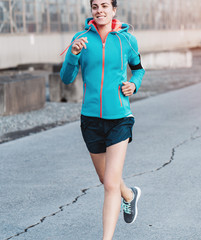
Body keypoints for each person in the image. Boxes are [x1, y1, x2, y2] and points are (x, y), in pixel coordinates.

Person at [60, 0, 145, 239]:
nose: (100, 10)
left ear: (114, 9)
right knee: (105, 178)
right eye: (95, 6)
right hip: (91, 121)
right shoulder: (81, 39)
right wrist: (73, 55)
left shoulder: (127, 39)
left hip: (119, 118)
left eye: (105, 5)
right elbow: (66, 79)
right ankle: (128, 195)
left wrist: (133, 84)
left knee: (109, 183)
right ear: (91, 10)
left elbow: (138, 69)